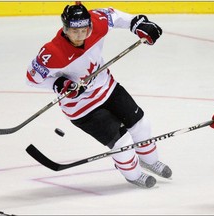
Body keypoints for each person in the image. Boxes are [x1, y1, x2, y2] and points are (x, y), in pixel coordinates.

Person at [26, 3, 172, 188]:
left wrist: (137, 24)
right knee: (123, 142)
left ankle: (149, 161)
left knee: (141, 125)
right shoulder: (52, 52)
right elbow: (31, 78)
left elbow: (115, 16)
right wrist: (60, 84)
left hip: (107, 87)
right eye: (74, 31)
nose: (80, 35)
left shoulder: (97, 22)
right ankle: (133, 175)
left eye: (84, 30)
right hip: (81, 106)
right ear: (65, 28)